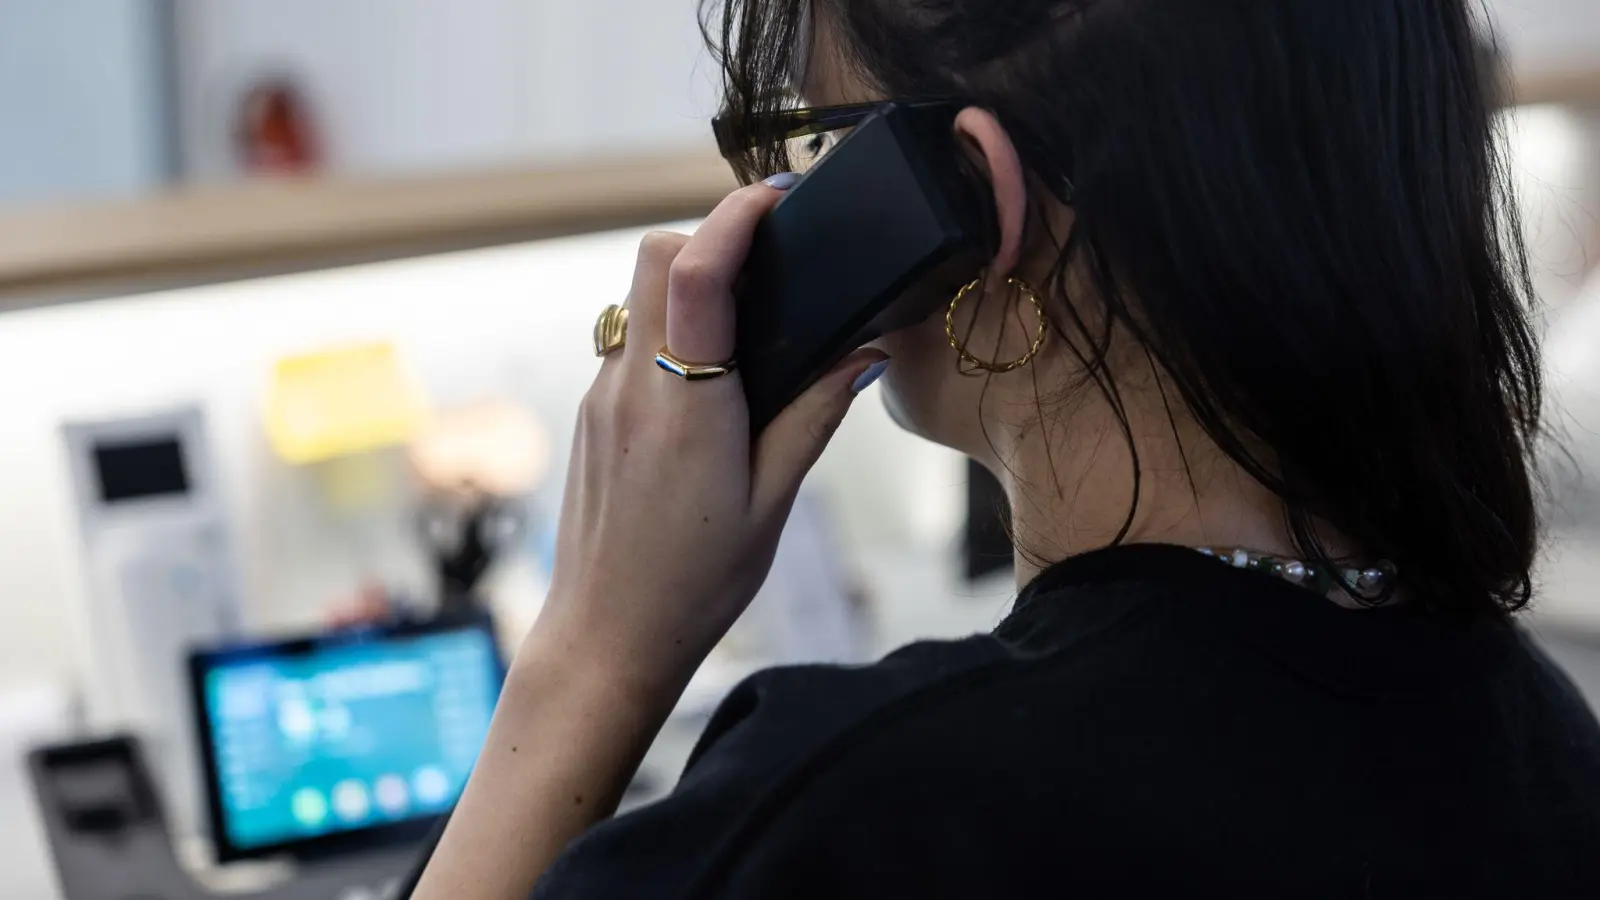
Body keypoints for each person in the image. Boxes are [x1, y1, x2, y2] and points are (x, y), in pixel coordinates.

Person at [411, 1, 1600, 897]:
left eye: (818, 149)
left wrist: (594, 653)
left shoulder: (862, 809)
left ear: (972, 190)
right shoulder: (1540, 738)